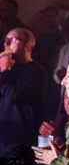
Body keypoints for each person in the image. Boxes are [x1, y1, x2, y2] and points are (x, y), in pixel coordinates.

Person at [0, 27, 47, 156]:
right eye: (6, 40)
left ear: (28, 45)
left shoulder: (36, 71)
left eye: (13, 40)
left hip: (19, 144)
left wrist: (4, 71)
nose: (7, 44)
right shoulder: (4, 68)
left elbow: (19, 97)